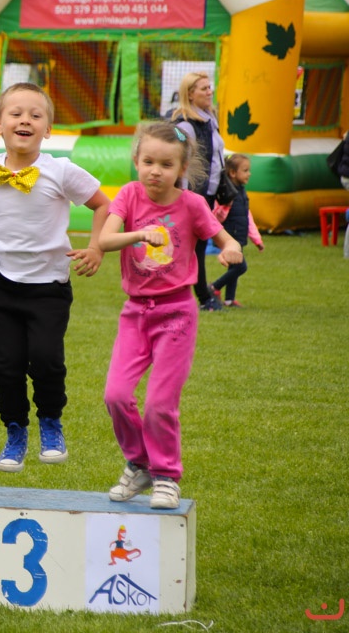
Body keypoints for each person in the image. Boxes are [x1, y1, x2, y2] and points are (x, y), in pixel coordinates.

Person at [98, 122, 243, 510]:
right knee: (116, 395)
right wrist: (139, 234)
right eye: (148, 162)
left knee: (160, 404)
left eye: (166, 164)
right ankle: (139, 463)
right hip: (135, 313)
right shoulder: (129, 195)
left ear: (181, 168)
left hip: (177, 314)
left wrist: (231, 248)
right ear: (136, 160)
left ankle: (166, 476)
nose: (155, 171)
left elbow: (223, 237)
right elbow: (105, 240)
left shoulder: (192, 204)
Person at [0, 83, 110, 473]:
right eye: (15, 113)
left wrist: (96, 247)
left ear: (48, 129)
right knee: (5, 364)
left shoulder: (59, 171)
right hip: (1, 283)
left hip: (49, 287)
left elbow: (103, 205)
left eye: (35, 115)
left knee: (46, 360)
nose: (25, 120)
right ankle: (15, 431)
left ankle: (50, 421)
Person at [170, 72, 225, 312]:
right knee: (195, 246)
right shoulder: (184, 125)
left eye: (209, 87)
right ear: (190, 94)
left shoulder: (210, 120)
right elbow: (178, 156)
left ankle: (201, 294)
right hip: (191, 194)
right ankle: (202, 296)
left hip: (208, 193)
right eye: (203, 88)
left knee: (198, 245)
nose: (209, 92)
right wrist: (183, 194)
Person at [209, 153, 263, 308]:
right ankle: (214, 287)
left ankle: (229, 300)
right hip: (230, 237)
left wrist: (256, 239)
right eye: (245, 170)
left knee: (234, 267)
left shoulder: (242, 191)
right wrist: (225, 207)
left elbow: (247, 216)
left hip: (239, 236)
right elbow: (215, 217)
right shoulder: (226, 194)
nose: (249, 174)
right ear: (233, 173)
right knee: (240, 266)